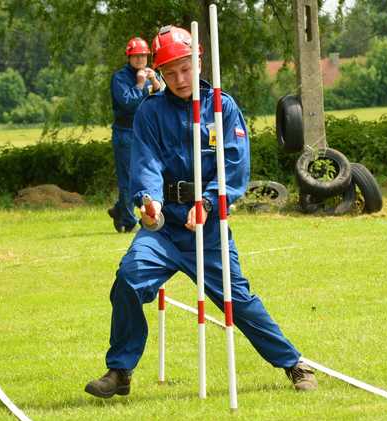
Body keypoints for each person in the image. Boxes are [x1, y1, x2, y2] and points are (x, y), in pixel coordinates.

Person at [85, 25, 316, 399]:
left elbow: (235, 166)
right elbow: (144, 162)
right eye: (170, 71)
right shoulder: (150, 112)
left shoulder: (223, 106)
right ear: (159, 72)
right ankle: (120, 371)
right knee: (127, 279)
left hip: (207, 227)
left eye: (185, 68)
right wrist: (149, 200)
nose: (179, 78)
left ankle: (294, 364)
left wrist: (208, 203)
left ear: (199, 61)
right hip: (163, 229)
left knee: (237, 300)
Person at [108, 36, 162, 233]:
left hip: (146, 133)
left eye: (143, 56)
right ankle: (130, 220)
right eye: (136, 56)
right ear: (129, 57)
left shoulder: (151, 74)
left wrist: (155, 81)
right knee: (128, 177)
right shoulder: (120, 78)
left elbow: (163, 99)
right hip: (125, 132)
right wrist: (140, 85)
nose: (140, 60)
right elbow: (127, 103)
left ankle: (120, 210)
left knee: (146, 174)